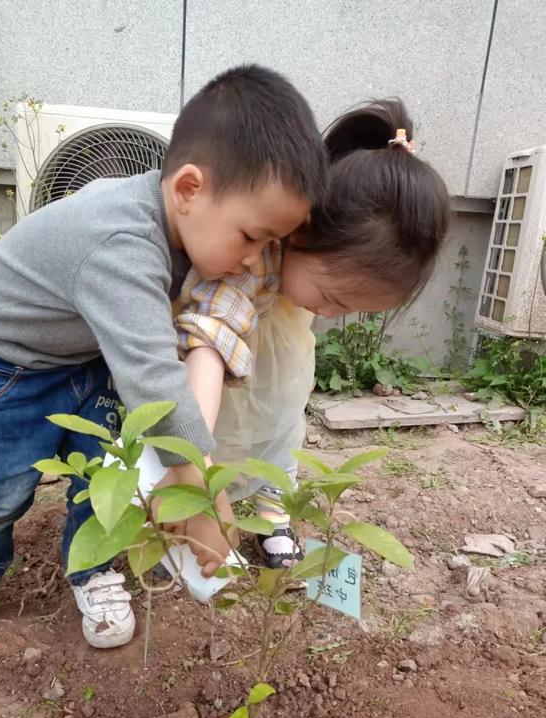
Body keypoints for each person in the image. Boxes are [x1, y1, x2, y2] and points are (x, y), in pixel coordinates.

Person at [0, 65, 326, 648]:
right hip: (9, 359)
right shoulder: (122, 245)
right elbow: (158, 388)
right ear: (188, 189)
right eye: (251, 237)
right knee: (2, 482)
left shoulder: (183, 224)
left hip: (89, 354)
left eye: (270, 244)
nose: (253, 259)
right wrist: (207, 499)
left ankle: (92, 568)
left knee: (104, 478)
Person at [174, 99, 451, 573]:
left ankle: (275, 518)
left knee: (283, 434)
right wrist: (193, 474)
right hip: (222, 389)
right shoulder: (249, 261)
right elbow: (209, 339)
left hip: (282, 368)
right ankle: (181, 520)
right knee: (230, 437)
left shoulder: (309, 273)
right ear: (301, 234)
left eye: (349, 309)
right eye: (333, 298)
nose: (328, 311)